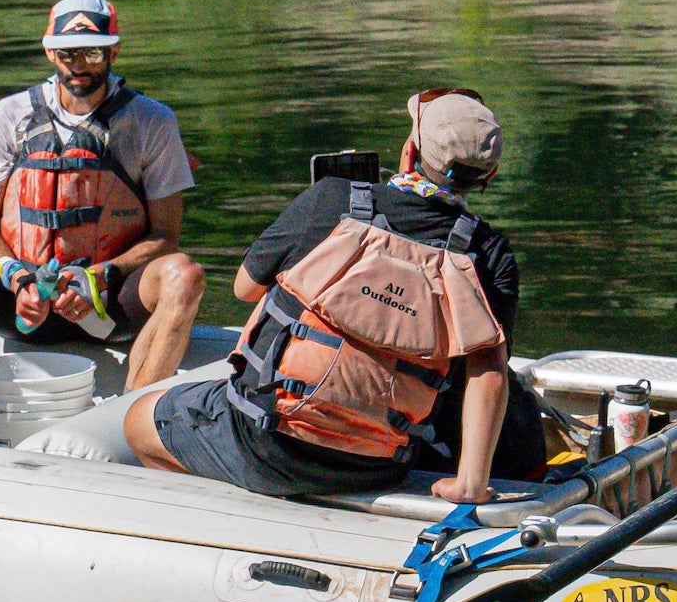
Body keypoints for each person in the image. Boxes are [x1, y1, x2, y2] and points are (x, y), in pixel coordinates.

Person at [125, 90, 527, 504]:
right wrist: (470, 486)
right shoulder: (490, 253)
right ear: (487, 179)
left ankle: (233, 511)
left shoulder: (332, 199)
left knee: (140, 421)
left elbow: (244, 288)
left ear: (410, 151)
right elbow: (488, 371)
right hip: (378, 465)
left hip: (266, 443)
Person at [0, 0, 206, 442]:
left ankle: (126, 432)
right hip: (19, 295)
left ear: (114, 52)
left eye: (93, 52)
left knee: (185, 276)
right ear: (49, 51)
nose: (79, 65)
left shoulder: (152, 122)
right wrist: (16, 276)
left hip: (109, 298)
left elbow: (166, 236)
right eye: (67, 53)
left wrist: (99, 278)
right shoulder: (10, 115)